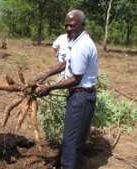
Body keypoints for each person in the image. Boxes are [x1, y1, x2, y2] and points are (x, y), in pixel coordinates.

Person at [35, 9, 98, 169]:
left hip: (81, 98)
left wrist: (49, 88)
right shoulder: (76, 42)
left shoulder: (82, 45)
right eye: (66, 26)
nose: (68, 29)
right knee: (74, 141)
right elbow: (65, 64)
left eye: (72, 25)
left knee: (70, 145)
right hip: (79, 97)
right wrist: (46, 74)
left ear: (82, 25)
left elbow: (75, 78)